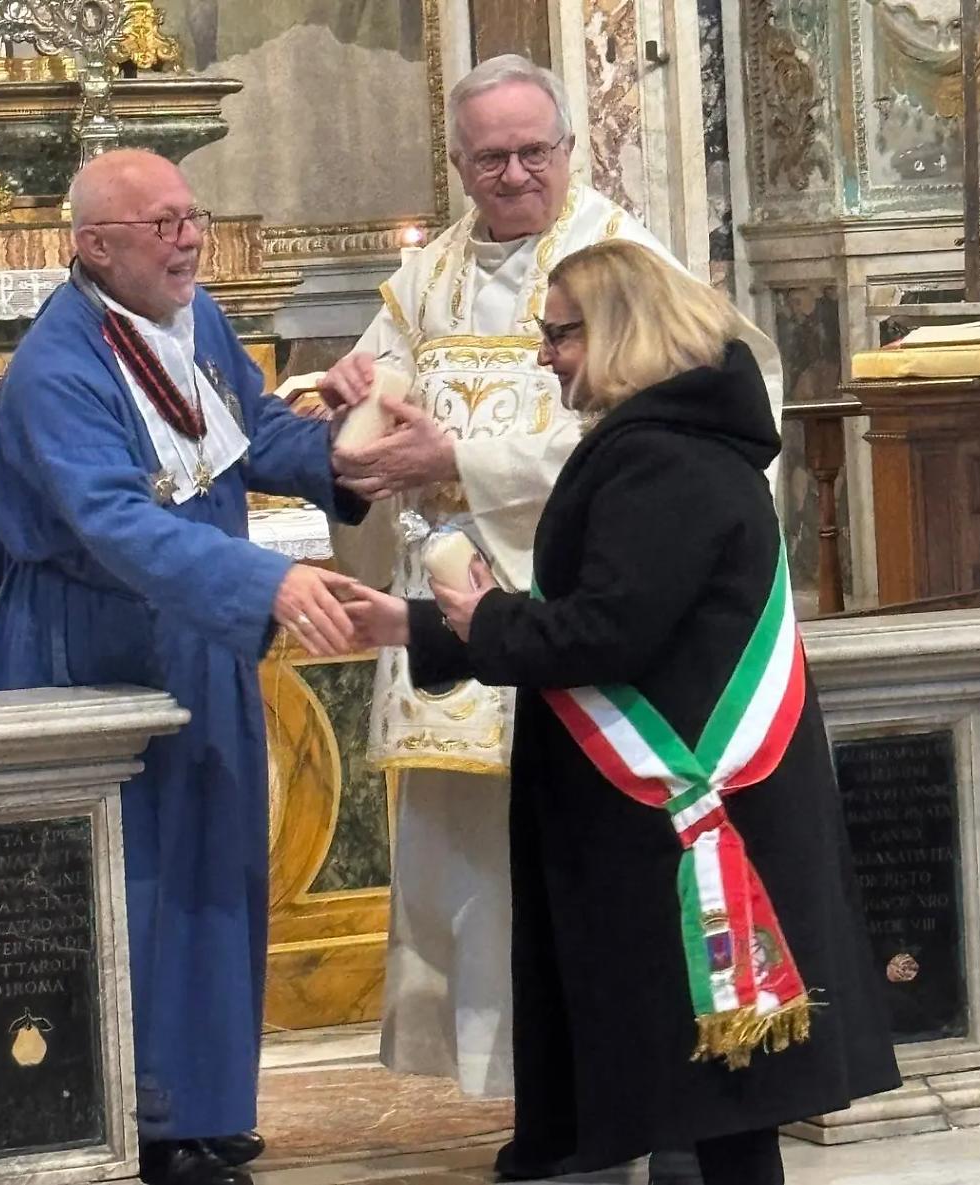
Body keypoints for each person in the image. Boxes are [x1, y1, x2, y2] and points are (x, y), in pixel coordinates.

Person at [346, 241, 901, 1185]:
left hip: (677, 810)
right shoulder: (668, 444)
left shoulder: (661, 461)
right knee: (710, 1094)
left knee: (724, 1095)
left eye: (558, 333)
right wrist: (417, 625)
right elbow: (600, 616)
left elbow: (608, 632)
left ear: (617, 332)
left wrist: (483, 616)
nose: (544, 356)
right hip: (665, 813)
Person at [325, 51, 785, 1101]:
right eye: (491, 157)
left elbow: (651, 448)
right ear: (457, 163)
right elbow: (368, 411)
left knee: (579, 869)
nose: (515, 174)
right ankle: (528, 1099)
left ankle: (613, 1097)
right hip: (454, 624)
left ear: (570, 149)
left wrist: (460, 462)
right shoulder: (427, 276)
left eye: (535, 151)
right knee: (474, 878)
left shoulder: (619, 262)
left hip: (581, 624)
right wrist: (349, 412)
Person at [0, 149, 371, 1185]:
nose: (189, 237)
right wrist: (260, 580)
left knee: (217, 874)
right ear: (94, 245)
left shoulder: (191, 322)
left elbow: (246, 433)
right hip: (93, 648)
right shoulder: (58, 368)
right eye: (160, 224)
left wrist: (351, 453)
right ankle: (132, 1112)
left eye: (191, 216)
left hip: (197, 630)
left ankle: (205, 1104)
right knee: (136, 886)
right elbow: (110, 520)